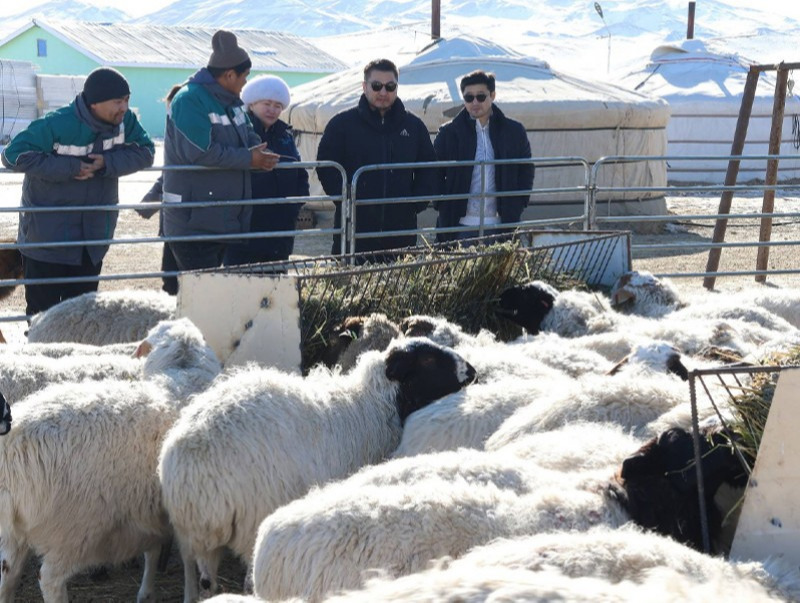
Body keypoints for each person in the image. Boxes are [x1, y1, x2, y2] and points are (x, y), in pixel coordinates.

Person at [0, 67, 155, 316]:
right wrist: (71, 167)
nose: (124, 107)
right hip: (47, 240)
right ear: (95, 102)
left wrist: (107, 163)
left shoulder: (125, 123)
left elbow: (146, 152)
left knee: (82, 316)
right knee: (42, 316)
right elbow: (12, 156)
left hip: (91, 239)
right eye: (118, 101)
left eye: (127, 100)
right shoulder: (55, 124)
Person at [161, 29, 279, 274]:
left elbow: (249, 134)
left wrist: (257, 153)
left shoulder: (232, 102)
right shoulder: (189, 100)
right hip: (194, 222)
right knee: (202, 289)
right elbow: (200, 153)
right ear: (229, 75)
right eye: (244, 76)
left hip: (219, 217)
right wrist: (250, 158)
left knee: (209, 288)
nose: (245, 82)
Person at [316, 58, 438, 259]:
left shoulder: (414, 126)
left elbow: (429, 168)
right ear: (364, 86)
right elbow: (326, 165)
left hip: (401, 229)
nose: (383, 92)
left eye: (390, 86)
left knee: (399, 277)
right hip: (354, 225)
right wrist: (346, 199)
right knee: (352, 276)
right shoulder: (342, 124)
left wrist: (415, 204)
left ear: (397, 87)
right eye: (376, 86)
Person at [433, 70, 534, 243]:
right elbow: (434, 172)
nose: (474, 102)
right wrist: (441, 204)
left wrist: (519, 203)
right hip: (459, 224)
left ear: (492, 95)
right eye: (469, 97)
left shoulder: (514, 131)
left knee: (502, 263)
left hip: (501, 224)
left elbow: (526, 170)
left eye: (481, 97)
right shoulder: (448, 133)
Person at [223, 74, 309, 266]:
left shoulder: (285, 136)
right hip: (244, 228)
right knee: (240, 278)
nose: (272, 110)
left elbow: (299, 172)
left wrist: (295, 205)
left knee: (276, 279)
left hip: (281, 228)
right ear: (252, 104)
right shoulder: (237, 133)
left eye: (278, 105)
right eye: (267, 103)